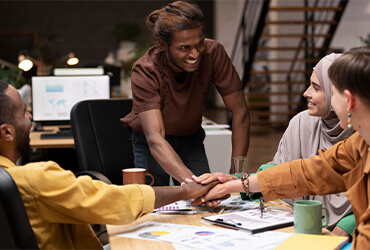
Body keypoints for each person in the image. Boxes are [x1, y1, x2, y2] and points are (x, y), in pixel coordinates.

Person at [0, 80, 218, 249]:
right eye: (24, 113)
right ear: (7, 132)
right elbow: (118, 200)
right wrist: (185, 191)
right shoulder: (36, 179)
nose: (29, 116)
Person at [192, 47, 370, 248]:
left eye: (333, 92)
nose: (306, 93)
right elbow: (308, 171)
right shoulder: (360, 144)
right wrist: (233, 184)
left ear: (350, 100)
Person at [120, 1, 250, 186]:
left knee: (203, 203)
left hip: (190, 136)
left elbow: (240, 112)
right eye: (184, 48)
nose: (195, 54)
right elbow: (156, 137)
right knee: (156, 202)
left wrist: (237, 174)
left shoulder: (213, 53)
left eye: (199, 44)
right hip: (152, 142)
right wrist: (196, 184)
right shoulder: (145, 69)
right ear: (163, 45)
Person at [257, 53, 355, 236]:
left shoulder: (360, 135)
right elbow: (289, 170)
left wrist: (347, 226)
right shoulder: (302, 122)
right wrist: (240, 182)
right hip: (301, 224)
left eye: (316, 88)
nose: (306, 93)